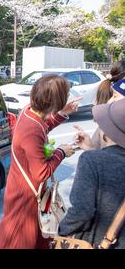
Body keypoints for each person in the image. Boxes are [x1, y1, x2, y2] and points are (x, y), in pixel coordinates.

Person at [0, 74, 80, 249]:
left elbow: (44, 125)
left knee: (35, 236)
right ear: (54, 102)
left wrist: (63, 113)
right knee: (20, 238)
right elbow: (42, 173)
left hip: (22, 186)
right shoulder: (32, 128)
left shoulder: (29, 111)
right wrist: (61, 152)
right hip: (25, 196)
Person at [59, 99, 125, 249]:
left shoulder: (91, 161)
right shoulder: (94, 158)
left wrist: (61, 230)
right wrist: (91, 149)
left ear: (107, 133)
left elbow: (82, 212)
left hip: (95, 242)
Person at [74, 78, 125, 151]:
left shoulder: (110, 125)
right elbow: (100, 156)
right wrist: (90, 148)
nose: (109, 101)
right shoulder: (107, 124)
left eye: (115, 96)